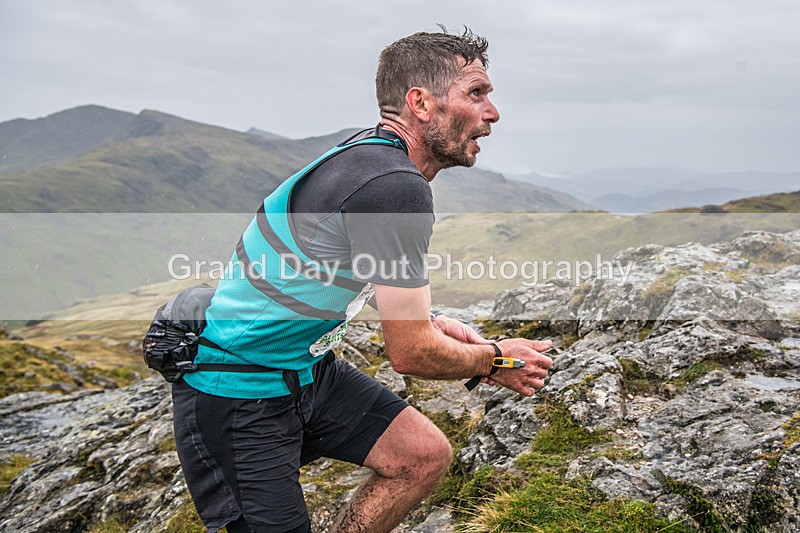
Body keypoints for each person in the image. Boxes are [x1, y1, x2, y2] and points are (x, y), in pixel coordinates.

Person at [171, 28, 554, 533]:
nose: (493, 112)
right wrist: (495, 359)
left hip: (304, 373)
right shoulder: (393, 186)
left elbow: (333, 260)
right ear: (421, 102)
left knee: (421, 456)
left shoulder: (366, 156)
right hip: (236, 388)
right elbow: (410, 354)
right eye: (476, 93)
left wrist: (431, 319)